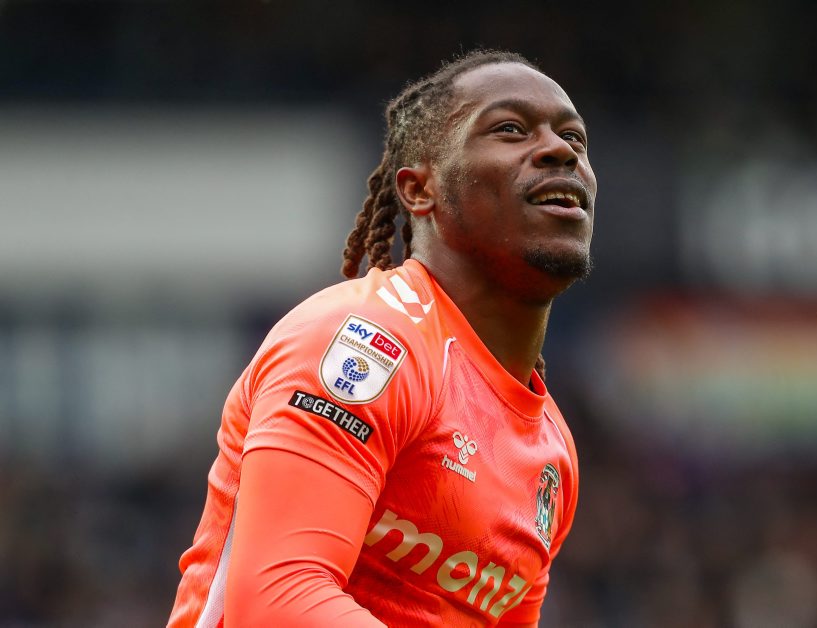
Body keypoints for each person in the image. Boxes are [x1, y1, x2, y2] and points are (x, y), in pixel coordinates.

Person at [168, 47, 597, 627]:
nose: (559, 150)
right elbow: (276, 600)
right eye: (510, 129)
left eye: (574, 138)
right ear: (419, 190)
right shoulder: (366, 343)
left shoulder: (552, 454)